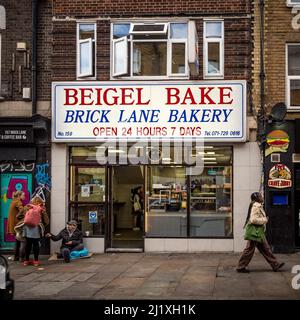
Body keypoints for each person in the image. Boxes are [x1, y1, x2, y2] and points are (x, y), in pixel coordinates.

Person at [236, 192, 285, 273]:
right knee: (249, 250)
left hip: (258, 231)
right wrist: (264, 220)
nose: (262, 197)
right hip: (255, 232)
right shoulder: (256, 206)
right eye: (260, 196)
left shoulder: (257, 205)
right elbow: (253, 220)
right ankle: (240, 266)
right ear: (256, 198)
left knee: (266, 249)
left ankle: (275, 264)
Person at [15, 196, 49, 267]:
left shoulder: (27, 207)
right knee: (36, 244)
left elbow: (18, 216)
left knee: (28, 244)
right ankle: (36, 261)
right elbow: (46, 221)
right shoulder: (41, 208)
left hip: (27, 228)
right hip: (36, 228)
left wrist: (24, 219)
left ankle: (26, 261)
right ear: (40, 202)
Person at [7, 191, 26, 261]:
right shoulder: (18, 202)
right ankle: (21, 257)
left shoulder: (13, 201)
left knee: (17, 240)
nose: (24, 197)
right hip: (16, 225)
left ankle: (16, 257)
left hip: (12, 224)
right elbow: (22, 210)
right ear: (19, 196)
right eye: (23, 195)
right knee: (22, 241)